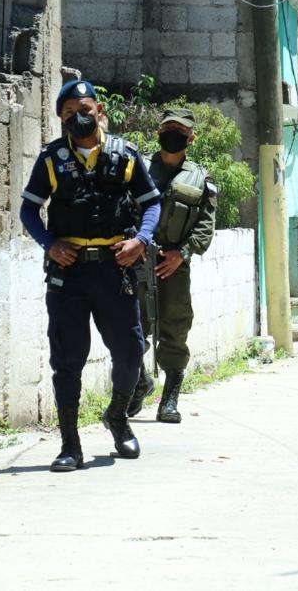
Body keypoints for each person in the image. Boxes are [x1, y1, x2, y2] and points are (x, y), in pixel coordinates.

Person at [20, 79, 161, 471]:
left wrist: (142, 241)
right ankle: (70, 446)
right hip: (69, 274)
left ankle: (117, 417)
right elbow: (29, 211)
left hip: (115, 270)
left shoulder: (125, 155)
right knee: (68, 360)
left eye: (85, 109)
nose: (78, 118)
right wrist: (49, 243)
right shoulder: (51, 159)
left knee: (130, 352)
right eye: (69, 113)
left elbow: (152, 203)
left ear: (100, 111)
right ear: (61, 119)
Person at [128, 108, 217, 423]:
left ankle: (169, 400)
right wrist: (132, 243)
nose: (173, 133)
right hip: (137, 259)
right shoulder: (138, 169)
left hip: (174, 264)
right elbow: (123, 209)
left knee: (175, 327)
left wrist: (184, 253)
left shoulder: (200, 177)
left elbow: (205, 225)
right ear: (158, 133)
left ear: (191, 137)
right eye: (168, 128)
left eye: (180, 129)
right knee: (130, 326)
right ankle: (138, 383)